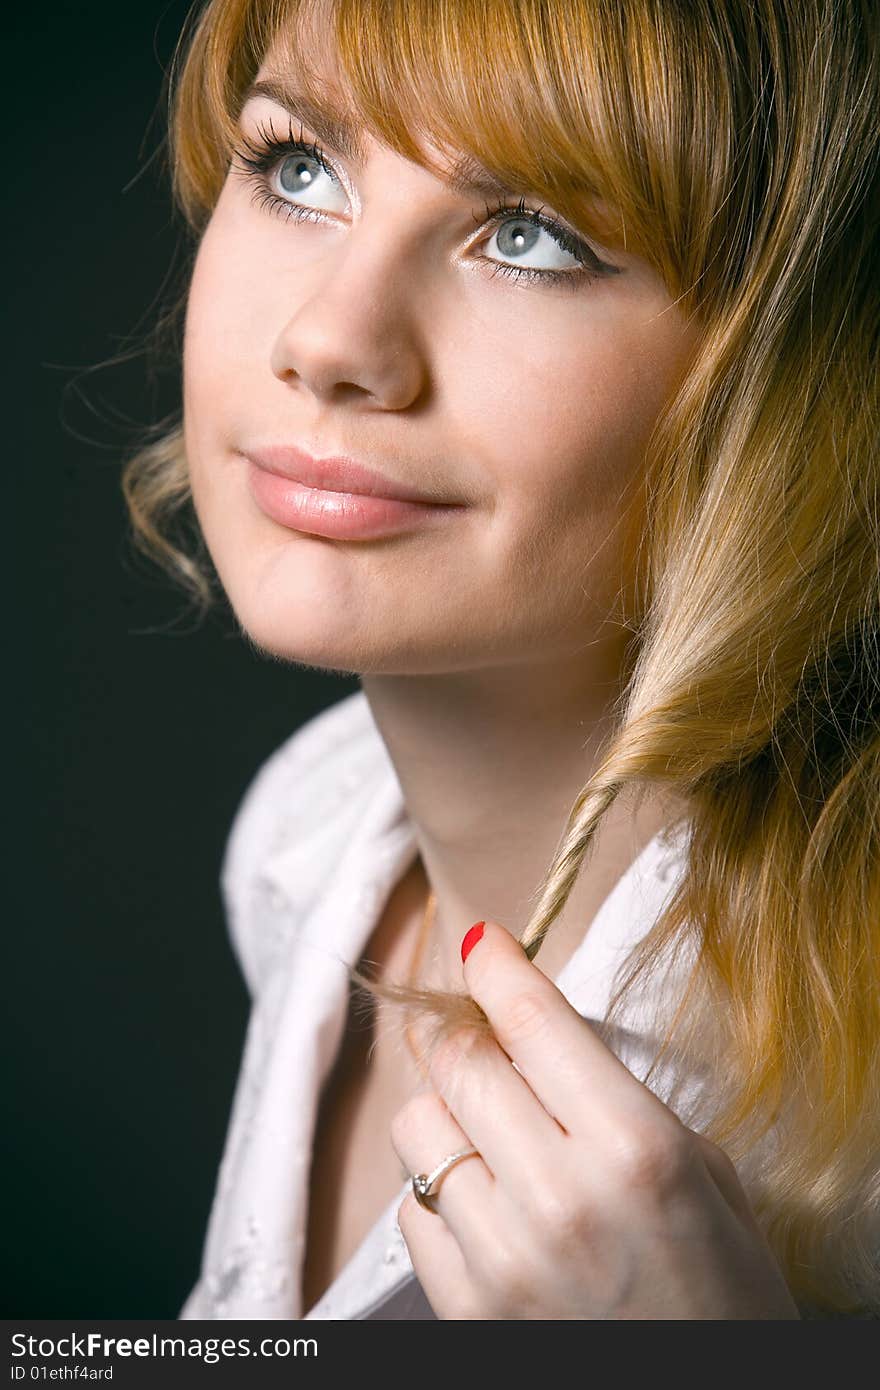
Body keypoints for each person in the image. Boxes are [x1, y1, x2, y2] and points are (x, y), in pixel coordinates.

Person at [121, 0, 879, 1319]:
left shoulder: (849, 1114)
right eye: (299, 166)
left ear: (794, 373)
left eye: (531, 234)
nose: (333, 342)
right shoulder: (307, 836)